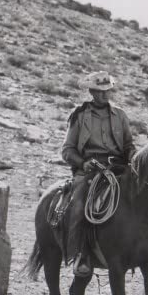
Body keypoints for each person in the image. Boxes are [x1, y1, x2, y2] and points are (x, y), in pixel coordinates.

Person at [60, 71, 135, 277]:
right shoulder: (79, 115)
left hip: (118, 167)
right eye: (100, 91)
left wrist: (132, 155)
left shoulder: (120, 115)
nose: (104, 95)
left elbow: (128, 144)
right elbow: (67, 150)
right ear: (91, 92)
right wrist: (82, 163)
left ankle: (142, 247)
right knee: (80, 204)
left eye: (107, 91)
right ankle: (81, 254)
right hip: (90, 170)